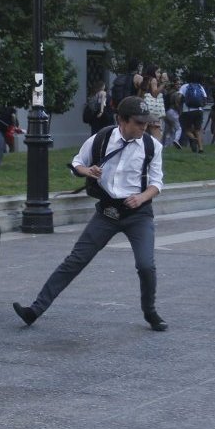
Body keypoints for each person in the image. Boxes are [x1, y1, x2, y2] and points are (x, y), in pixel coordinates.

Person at [12, 96, 168, 332]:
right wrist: (88, 171)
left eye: (146, 122)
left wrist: (142, 197)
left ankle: (150, 311)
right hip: (108, 211)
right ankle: (34, 310)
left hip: (138, 214)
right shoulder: (102, 138)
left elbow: (157, 183)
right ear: (122, 121)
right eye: (138, 122)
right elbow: (77, 164)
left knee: (146, 265)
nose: (144, 127)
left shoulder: (151, 146)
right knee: (75, 260)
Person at [179, 74, 206, 153]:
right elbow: (205, 98)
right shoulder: (200, 87)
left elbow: (179, 97)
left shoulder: (184, 86)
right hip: (199, 110)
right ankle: (201, 148)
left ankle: (193, 138)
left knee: (186, 129)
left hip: (187, 111)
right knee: (197, 130)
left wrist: (179, 106)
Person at [140, 66, 165, 141]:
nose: (159, 74)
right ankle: (156, 150)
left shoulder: (145, 80)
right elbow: (154, 94)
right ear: (153, 72)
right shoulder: (153, 80)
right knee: (157, 136)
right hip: (153, 111)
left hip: (145, 109)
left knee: (143, 132)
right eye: (158, 72)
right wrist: (163, 84)